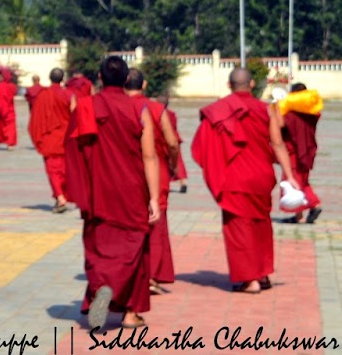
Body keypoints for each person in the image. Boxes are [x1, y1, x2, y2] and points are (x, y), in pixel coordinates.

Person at [65, 55, 160, 333]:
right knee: (135, 249)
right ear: (128, 78)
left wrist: (79, 189)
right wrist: (153, 197)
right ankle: (131, 313)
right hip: (132, 189)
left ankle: (102, 293)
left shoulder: (85, 107)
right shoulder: (139, 110)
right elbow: (150, 156)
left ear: (100, 76)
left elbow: (74, 150)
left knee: (99, 248)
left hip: (98, 190)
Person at [192, 67, 298, 294]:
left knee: (239, 228)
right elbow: (278, 144)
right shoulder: (265, 109)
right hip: (261, 175)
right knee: (261, 224)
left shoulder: (218, 110)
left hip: (234, 178)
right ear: (251, 85)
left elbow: (202, 147)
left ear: (229, 85)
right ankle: (263, 273)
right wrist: (289, 175)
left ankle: (250, 281)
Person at [125, 69, 180, 294]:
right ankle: (151, 277)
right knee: (156, 225)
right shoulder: (156, 109)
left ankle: (134, 274)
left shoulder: (119, 108)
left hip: (125, 175)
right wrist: (173, 164)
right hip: (157, 174)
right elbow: (172, 143)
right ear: (144, 84)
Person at [28, 67, 73, 212]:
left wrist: (37, 136)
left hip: (50, 138)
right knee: (63, 170)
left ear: (49, 78)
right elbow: (75, 114)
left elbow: (36, 117)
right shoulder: (68, 94)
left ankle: (60, 198)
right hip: (66, 137)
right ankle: (61, 196)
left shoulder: (44, 95)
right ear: (63, 79)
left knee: (53, 170)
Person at [278, 83, 322, 224]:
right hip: (308, 150)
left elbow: (280, 125)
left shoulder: (291, 115)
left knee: (292, 182)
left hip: (293, 153)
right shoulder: (313, 113)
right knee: (303, 181)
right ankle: (312, 206)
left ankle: (302, 215)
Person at [0, 67, 19, 150]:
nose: (0, 78)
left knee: (0, 127)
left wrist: (0, 106)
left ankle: (0, 142)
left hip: (1, 110)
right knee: (9, 127)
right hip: (9, 110)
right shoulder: (12, 86)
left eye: (1, 76)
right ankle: (9, 144)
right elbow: (14, 92)